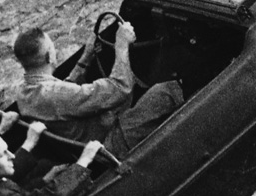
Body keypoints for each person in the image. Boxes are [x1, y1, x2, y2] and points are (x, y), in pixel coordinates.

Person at [12, 20, 183, 157]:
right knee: (165, 91)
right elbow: (120, 87)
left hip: (88, 142)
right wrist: (121, 45)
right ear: (50, 55)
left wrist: (85, 58)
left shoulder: (25, 91)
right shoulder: (53, 95)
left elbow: (63, 94)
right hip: (107, 145)